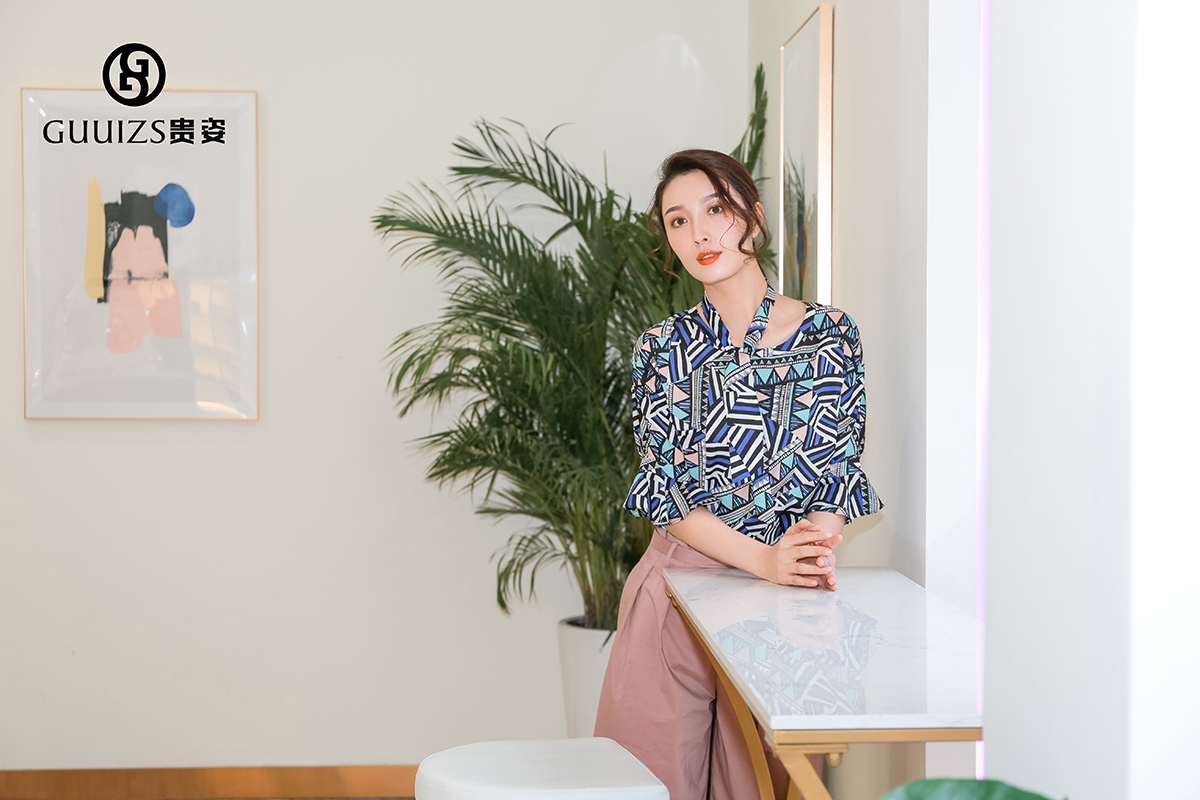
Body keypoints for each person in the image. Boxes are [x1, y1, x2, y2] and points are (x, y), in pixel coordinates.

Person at [593, 149, 883, 800]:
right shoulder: (661, 348)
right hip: (676, 594)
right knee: (652, 787)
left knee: (758, 789)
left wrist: (800, 559)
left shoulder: (832, 335)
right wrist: (762, 560)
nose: (699, 232)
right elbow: (664, 492)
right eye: (678, 220)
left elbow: (837, 470)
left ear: (754, 217)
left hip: (784, 605)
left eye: (716, 210)